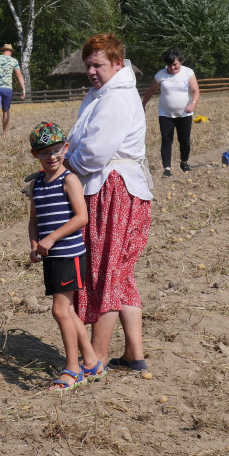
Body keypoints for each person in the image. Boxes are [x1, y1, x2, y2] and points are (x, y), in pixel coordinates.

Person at [65, 34, 153, 372]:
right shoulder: (103, 93)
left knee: (106, 273)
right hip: (117, 186)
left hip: (114, 189)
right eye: (88, 64)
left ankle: (97, 358)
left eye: (98, 64)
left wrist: (64, 168)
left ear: (117, 64)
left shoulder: (116, 97)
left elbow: (94, 153)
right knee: (120, 273)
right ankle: (134, 354)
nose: (91, 70)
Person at [27, 121, 104, 390]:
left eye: (57, 150)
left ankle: (72, 368)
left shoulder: (69, 179)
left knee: (60, 310)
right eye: (45, 152)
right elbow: (34, 219)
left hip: (69, 254)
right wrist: (36, 243)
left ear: (66, 148)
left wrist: (52, 238)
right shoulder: (37, 184)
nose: (52, 156)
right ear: (35, 154)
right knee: (68, 310)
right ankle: (92, 362)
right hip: (51, 256)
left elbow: (82, 217)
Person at [141, 48, 200, 176]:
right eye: (169, 65)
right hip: (165, 114)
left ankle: (184, 162)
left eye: (175, 65)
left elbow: (195, 90)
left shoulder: (188, 72)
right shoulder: (160, 75)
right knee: (166, 140)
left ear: (180, 62)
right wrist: (143, 104)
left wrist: (192, 104)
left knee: (184, 141)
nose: (172, 68)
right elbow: (151, 91)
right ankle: (167, 169)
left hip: (185, 114)